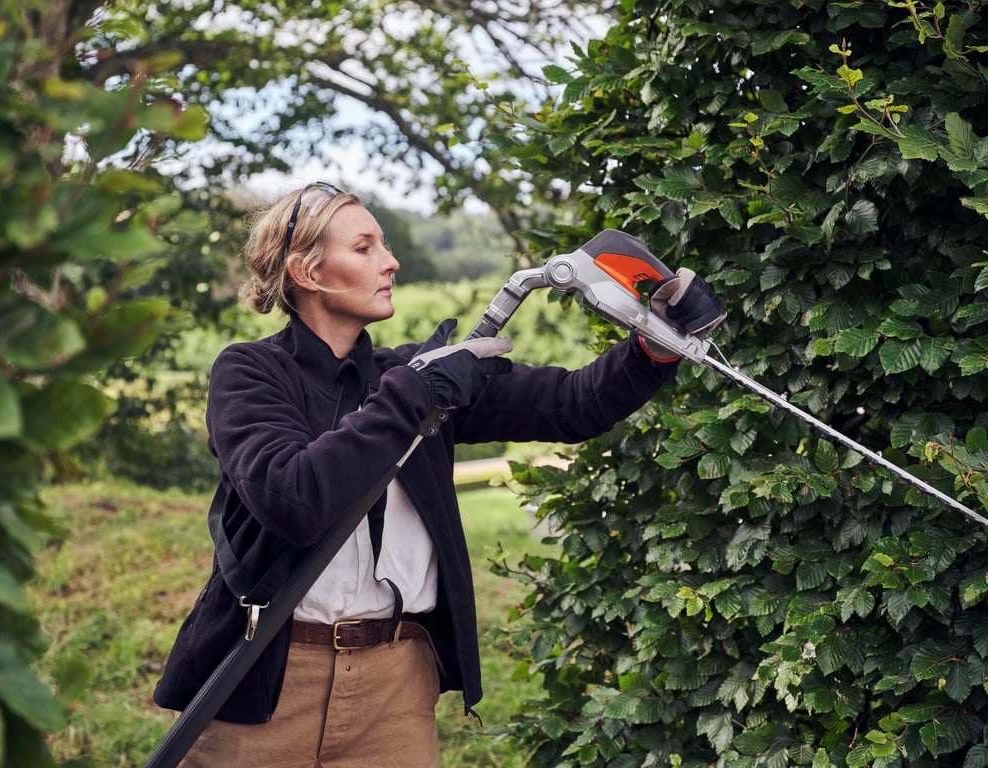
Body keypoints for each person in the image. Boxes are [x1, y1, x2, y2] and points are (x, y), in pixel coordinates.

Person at [152, 182, 725, 767]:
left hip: (395, 687)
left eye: (386, 244)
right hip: (265, 680)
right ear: (308, 271)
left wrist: (654, 345)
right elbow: (295, 498)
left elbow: (573, 403)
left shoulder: (413, 376)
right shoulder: (250, 373)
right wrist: (416, 393)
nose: (391, 261)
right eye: (365, 247)